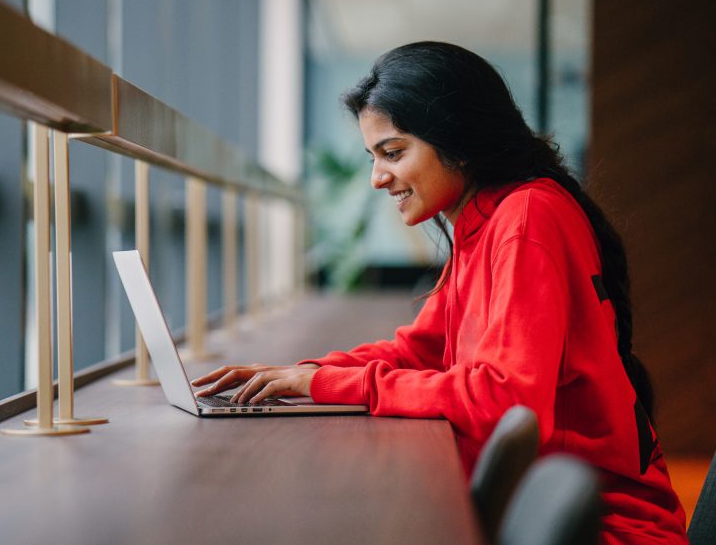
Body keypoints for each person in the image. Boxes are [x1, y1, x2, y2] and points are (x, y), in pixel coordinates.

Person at [192, 42, 688, 544]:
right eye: (373, 156)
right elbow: (420, 350)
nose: (377, 178)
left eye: (393, 152)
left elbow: (506, 399)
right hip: (534, 507)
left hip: (597, 529)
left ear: (458, 140)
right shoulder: (484, 222)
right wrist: (308, 375)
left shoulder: (527, 217)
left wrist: (335, 386)